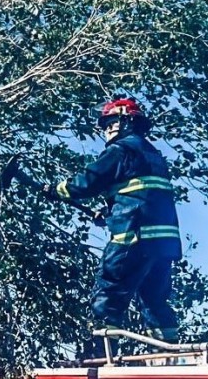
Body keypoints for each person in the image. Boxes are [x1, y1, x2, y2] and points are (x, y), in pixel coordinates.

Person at [43, 98, 182, 356]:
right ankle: (167, 358)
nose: (106, 130)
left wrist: (57, 189)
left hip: (132, 239)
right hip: (163, 246)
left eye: (110, 123)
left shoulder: (121, 150)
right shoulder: (153, 156)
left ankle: (98, 359)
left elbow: (87, 182)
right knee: (154, 302)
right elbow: (141, 197)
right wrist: (108, 214)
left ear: (127, 121)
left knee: (107, 299)